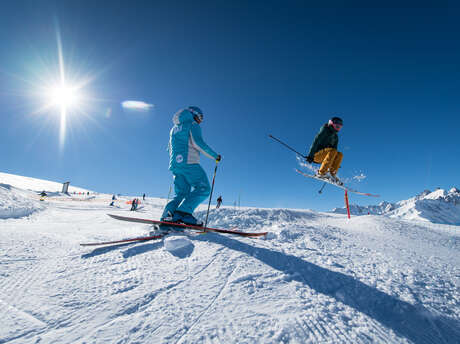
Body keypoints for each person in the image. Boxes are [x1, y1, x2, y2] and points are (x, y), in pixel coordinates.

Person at [161, 106, 221, 226]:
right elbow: (198, 143)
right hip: (189, 163)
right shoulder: (192, 124)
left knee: (181, 193)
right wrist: (215, 156)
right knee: (204, 188)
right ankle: (184, 213)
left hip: (175, 165)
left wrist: (177, 161)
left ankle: (168, 216)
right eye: (200, 117)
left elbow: (169, 149)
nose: (201, 120)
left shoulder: (174, 129)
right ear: (194, 114)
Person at [305, 116, 344, 185]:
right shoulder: (325, 130)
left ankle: (332, 174)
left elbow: (335, 151)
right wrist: (310, 155)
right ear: (331, 123)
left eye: (340, 125)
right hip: (316, 155)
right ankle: (321, 173)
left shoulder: (335, 137)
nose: (338, 126)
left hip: (325, 157)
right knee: (333, 151)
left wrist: (335, 162)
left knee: (340, 154)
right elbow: (316, 141)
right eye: (337, 124)